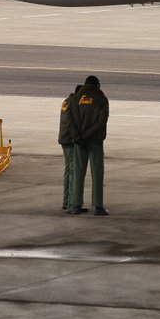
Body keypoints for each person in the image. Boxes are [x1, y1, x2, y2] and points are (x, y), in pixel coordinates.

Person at [67, 74, 109, 216]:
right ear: (97, 85)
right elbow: (101, 121)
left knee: (78, 172)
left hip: (79, 141)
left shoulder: (73, 100)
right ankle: (98, 206)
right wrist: (87, 136)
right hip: (95, 141)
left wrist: (77, 136)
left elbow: (69, 121)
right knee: (97, 172)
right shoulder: (101, 100)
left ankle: (75, 204)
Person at [58, 84, 83, 213]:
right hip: (70, 140)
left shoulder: (66, 101)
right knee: (73, 171)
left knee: (69, 170)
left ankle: (67, 201)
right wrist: (78, 138)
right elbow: (72, 123)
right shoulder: (74, 104)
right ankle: (71, 204)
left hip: (64, 139)